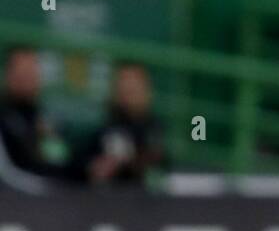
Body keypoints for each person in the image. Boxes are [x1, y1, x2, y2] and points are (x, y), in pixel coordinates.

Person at [78, 63, 166, 185]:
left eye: (134, 85)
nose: (128, 90)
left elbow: (158, 165)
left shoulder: (154, 128)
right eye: (124, 84)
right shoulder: (105, 130)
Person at [0, 45, 68, 186]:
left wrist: (48, 137)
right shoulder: (4, 117)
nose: (26, 79)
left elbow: (58, 163)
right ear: (8, 75)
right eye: (21, 72)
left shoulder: (48, 120)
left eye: (31, 72)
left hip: (49, 197)